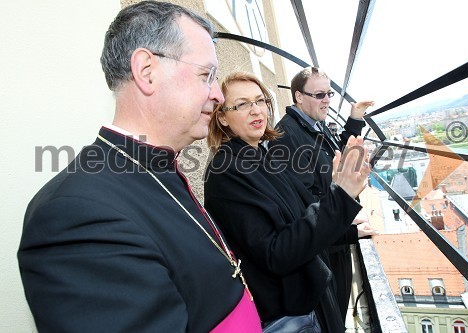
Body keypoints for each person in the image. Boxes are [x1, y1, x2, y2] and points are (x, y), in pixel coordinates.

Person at [17, 2, 261, 332]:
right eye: (207, 76)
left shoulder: (160, 168)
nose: (218, 94)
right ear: (147, 71)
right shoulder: (74, 217)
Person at [204, 72, 371, 332]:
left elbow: (302, 214)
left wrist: (348, 227)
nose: (256, 110)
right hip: (293, 315)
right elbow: (276, 252)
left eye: (260, 100)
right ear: (222, 116)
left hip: (309, 303)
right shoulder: (226, 172)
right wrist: (342, 195)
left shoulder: (260, 154)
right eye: (242, 104)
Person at [267, 66, 375, 327]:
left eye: (329, 94)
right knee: (334, 317)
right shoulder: (288, 138)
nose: (326, 99)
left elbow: (335, 154)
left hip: (334, 235)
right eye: (318, 95)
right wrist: (348, 232)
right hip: (325, 248)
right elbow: (304, 208)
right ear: (298, 97)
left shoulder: (313, 125)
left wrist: (355, 119)